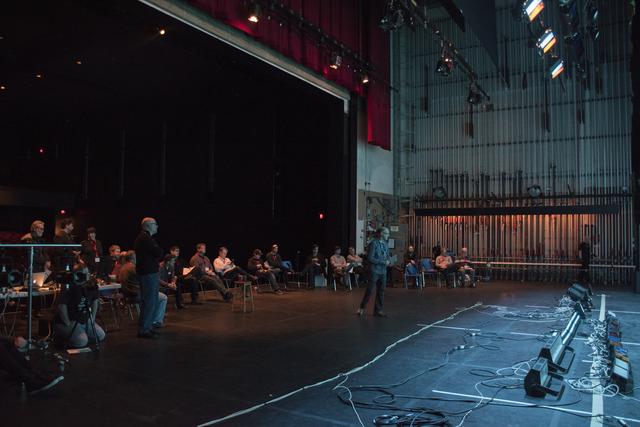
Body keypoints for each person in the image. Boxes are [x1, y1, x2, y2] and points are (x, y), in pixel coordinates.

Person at [54, 262, 106, 348]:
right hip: (70, 320)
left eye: (87, 274)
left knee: (100, 335)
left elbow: (95, 301)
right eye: (83, 274)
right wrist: (67, 323)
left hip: (84, 319)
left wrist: (92, 319)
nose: (86, 277)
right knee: (82, 341)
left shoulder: (91, 284)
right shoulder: (69, 285)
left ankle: (79, 334)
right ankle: (63, 338)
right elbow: (61, 306)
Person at [118, 250, 168, 332]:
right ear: (133, 258)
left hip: (128, 295)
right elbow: (145, 278)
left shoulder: (123, 267)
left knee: (156, 295)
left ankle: (153, 319)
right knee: (163, 297)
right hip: (137, 294)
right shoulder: (133, 267)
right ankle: (157, 321)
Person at [133, 217, 164, 338]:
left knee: (152, 300)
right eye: (155, 224)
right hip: (147, 274)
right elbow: (159, 253)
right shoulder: (145, 238)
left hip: (149, 273)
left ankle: (148, 326)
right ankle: (144, 329)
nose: (157, 226)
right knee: (149, 301)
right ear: (148, 225)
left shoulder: (146, 238)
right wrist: (157, 251)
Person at [358, 227, 391, 317]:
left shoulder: (385, 244)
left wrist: (389, 260)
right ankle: (362, 307)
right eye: (386, 233)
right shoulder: (373, 243)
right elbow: (370, 258)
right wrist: (383, 262)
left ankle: (378, 310)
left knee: (381, 291)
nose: (388, 235)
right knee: (370, 290)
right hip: (375, 270)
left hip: (383, 271)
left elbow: (388, 255)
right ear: (381, 234)